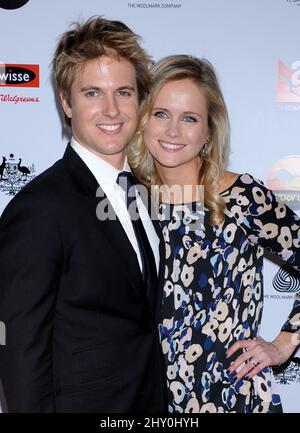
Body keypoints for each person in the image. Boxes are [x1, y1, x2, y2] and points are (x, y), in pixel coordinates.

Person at [0, 16, 167, 413]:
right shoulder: (39, 209)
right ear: (66, 101)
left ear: (139, 100)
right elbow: (20, 351)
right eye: (92, 92)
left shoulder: (144, 192)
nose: (111, 109)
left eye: (123, 92)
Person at [128, 54, 300, 413]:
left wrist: (283, 344)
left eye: (189, 118)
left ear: (208, 131)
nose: (172, 131)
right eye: (161, 114)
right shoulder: (128, 199)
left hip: (231, 397)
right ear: (143, 119)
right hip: (147, 397)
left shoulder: (240, 196)